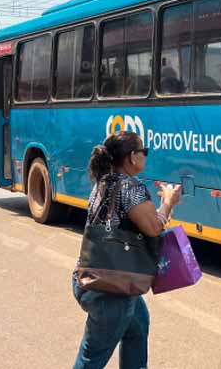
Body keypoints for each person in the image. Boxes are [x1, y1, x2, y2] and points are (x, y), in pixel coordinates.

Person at [72, 131, 182, 369]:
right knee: (91, 359)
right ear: (132, 157)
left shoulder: (104, 181)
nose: (145, 156)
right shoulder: (130, 186)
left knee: (137, 327)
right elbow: (153, 227)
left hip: (98, 277)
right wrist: (168, 202)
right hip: (111, 288)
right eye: (144, 152)